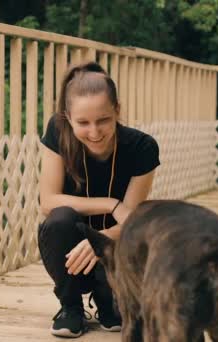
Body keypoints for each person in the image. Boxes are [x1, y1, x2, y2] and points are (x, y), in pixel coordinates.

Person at [38, 61, 161, 338]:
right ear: (68, 117)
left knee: (117, 317)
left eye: (103, 120)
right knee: (59, 218)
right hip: (68, 252)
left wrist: (99, 240)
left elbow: (132, 222)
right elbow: (48, 201)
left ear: (118, 111)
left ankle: (108, 300)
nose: (94, 132)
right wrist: (110, 204)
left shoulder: (143, 148)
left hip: (115, 248)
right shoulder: (57, 133)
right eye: (83, 122)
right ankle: (70, 307)